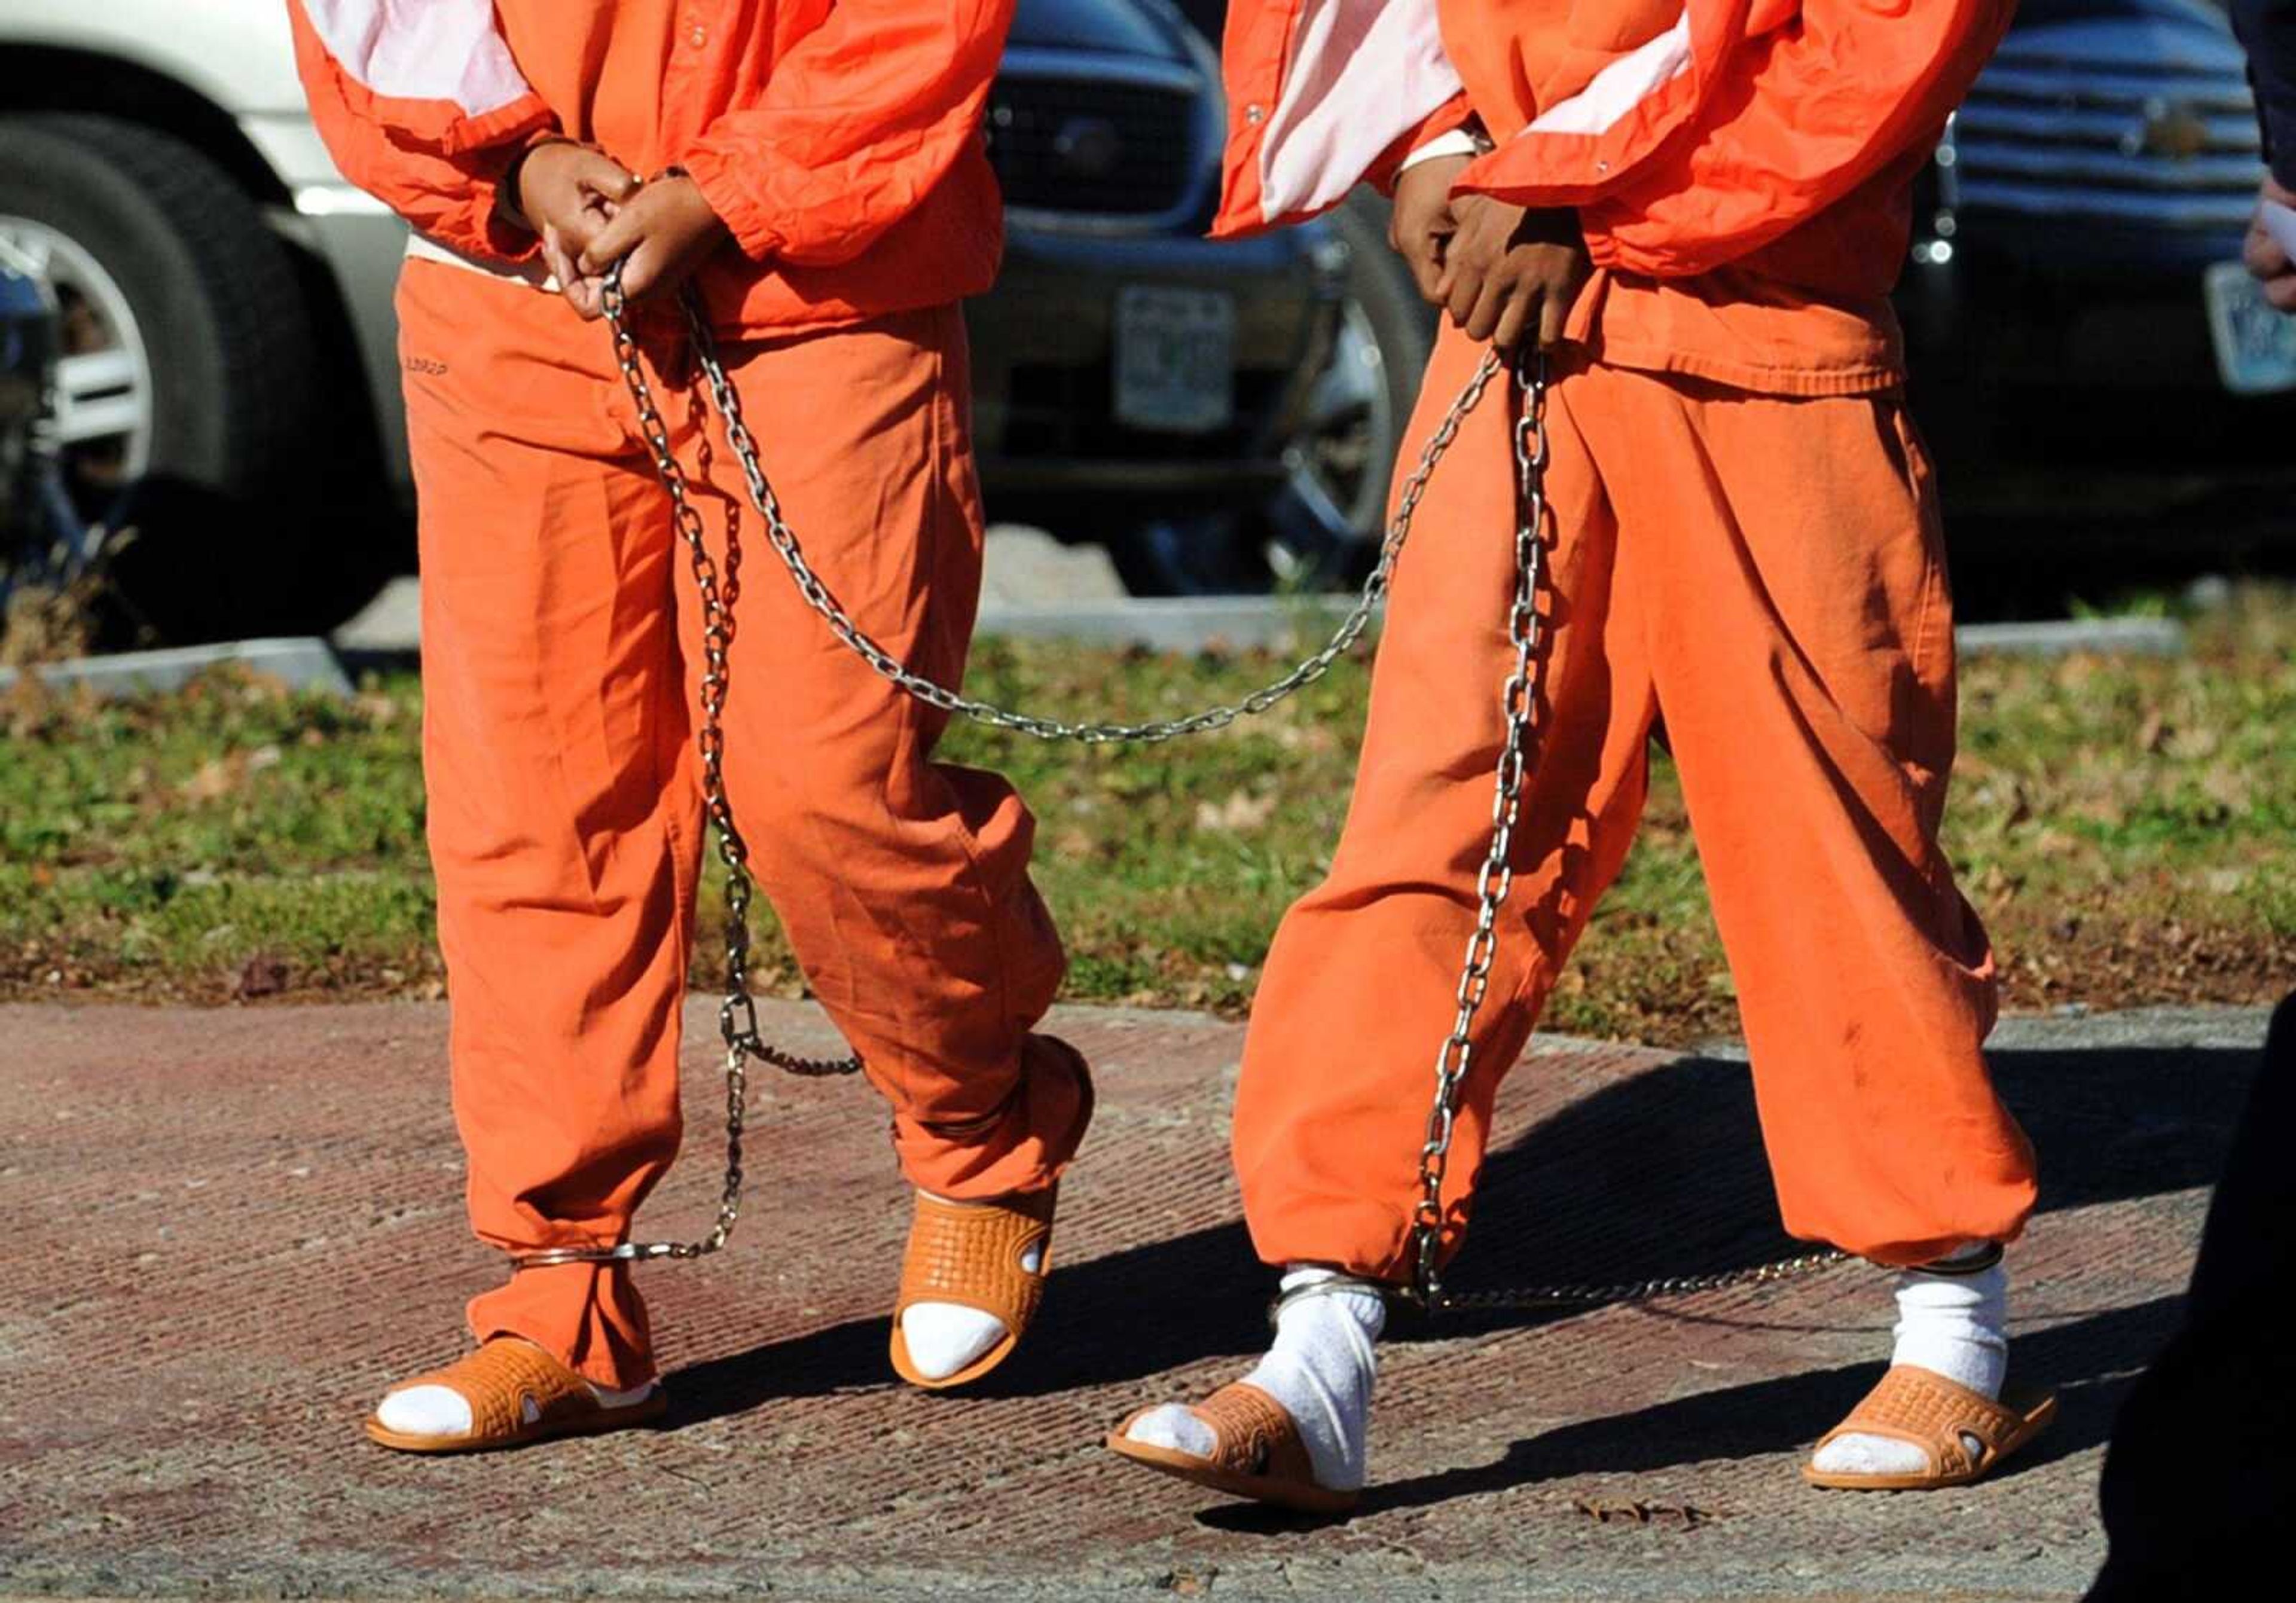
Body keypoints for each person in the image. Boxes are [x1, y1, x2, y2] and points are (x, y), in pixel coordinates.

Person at [1109, 0, 2049, 1510]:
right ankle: (1322, 1345)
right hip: (1521, 329)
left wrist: (1577, 200)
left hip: (1761, 333)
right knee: (1436, 810)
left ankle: (1953, 1321)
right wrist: (1441, 148)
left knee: (1829, 841)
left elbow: (1877, 47)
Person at [286, 0, 1092, 1452]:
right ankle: (565, 1294)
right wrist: (516, 158)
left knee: (828, 780)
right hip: (514, 281)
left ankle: (985, 1131)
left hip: (824, 281)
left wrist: (735, 185)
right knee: (539, 800)